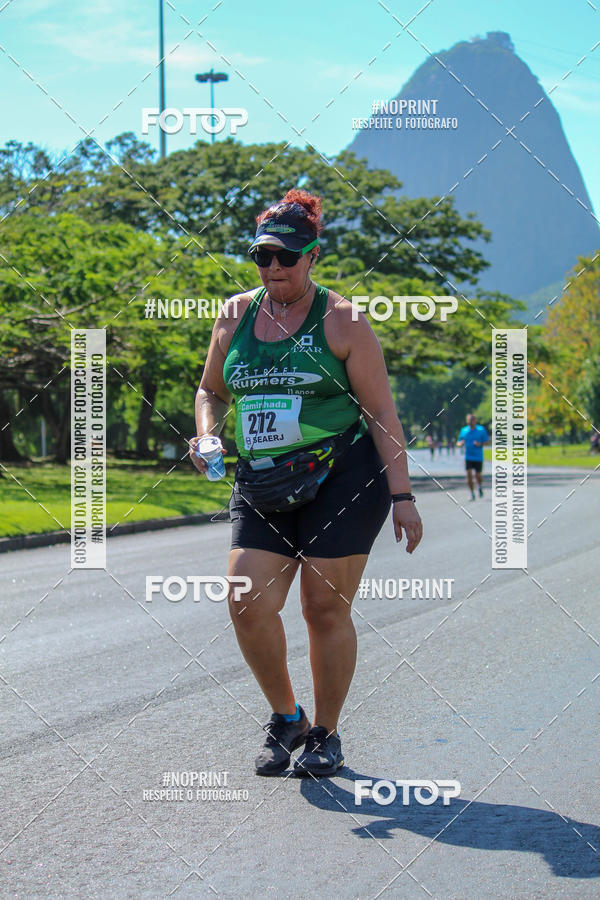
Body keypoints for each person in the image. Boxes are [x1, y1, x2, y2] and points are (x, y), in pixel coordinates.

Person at [190, 189, 422, 778]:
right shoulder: (235, 315)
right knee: (246, 599)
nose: (273, 268)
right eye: (262, 256)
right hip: (264, 479)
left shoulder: (343, 320)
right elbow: (210, 390)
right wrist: (207, 435)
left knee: (322, 608)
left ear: (313, 255)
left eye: (286, 257)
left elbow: (381, 413)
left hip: (343, 476)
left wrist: (403, 497)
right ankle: (286, 716)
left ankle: (325, 732)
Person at [457, 413, 490, 500]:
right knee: (469, 475)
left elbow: (487, 441)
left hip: (478, 457)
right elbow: (459, 442)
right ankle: (471, 493)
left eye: (471, 420)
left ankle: (479, 486)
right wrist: (461, 443)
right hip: (468, 457)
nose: (469, 422)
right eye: (468, 420)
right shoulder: (464, 430)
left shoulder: (481, 430)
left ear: (475, 421)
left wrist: (480, 444)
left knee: (478, 475)